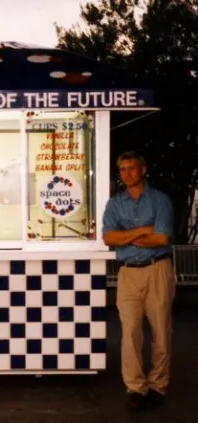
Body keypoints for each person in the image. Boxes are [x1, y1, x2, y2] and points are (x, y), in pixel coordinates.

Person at [102, 151, 175, 412]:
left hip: (157, 269)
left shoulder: (160, 200)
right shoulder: (115, 204)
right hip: (128, 273)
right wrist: (145, 229)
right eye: (122, 169)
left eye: (132, 168)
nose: (127, 173)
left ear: (143, 170)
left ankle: (158, 385)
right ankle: (136, 387)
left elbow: (162, 238)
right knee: (131, 332)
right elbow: (109, 238)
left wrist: (126, 236)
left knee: (161, 331)